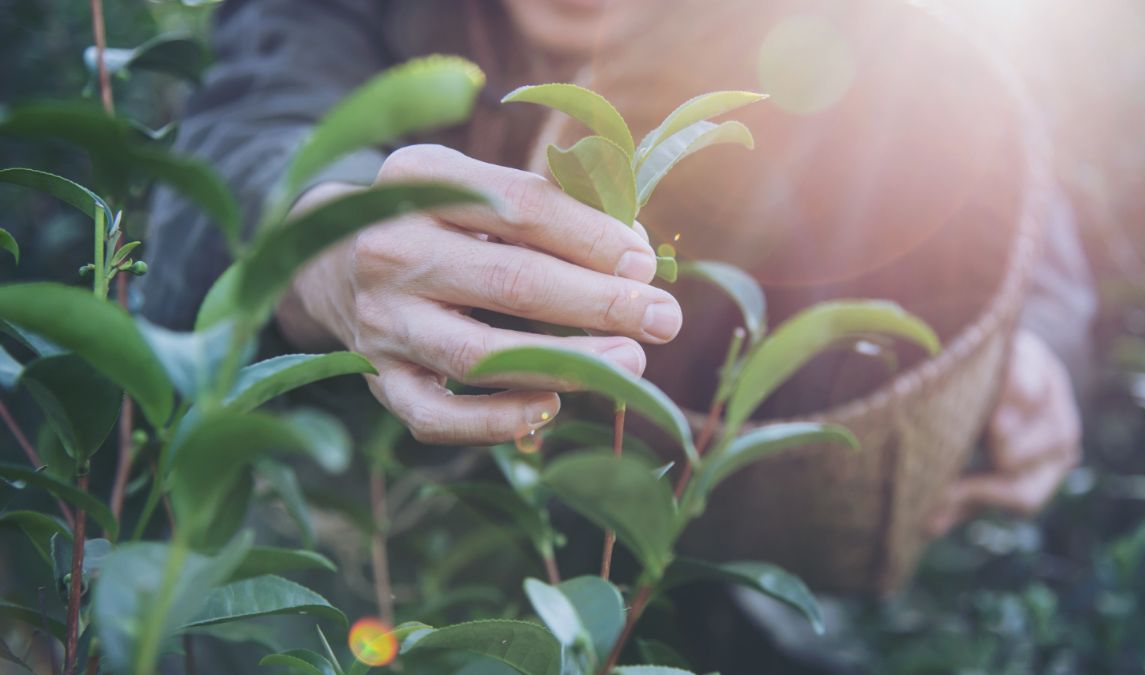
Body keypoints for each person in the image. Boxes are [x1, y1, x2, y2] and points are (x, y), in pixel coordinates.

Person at [138, 0, 1090, 592]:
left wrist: (1037, 345)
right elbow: (246, 136)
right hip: (403, 557)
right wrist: (323, 242)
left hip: (711, 568)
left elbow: (995, 167)